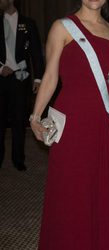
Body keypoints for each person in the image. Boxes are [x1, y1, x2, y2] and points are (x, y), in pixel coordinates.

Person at [29, 0, 109, 249]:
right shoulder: (63, 27)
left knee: (96, 189)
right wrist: (35, 116)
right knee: (70, 188)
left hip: (100, 120)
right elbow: (50, 76)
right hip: (72, 121)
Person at [0, 0, 44, 171]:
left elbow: (36, 53)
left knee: (19, 120)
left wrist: (38, 79)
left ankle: (18, 159)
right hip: (1, 78)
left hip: (21, 78)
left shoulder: (28, 23)